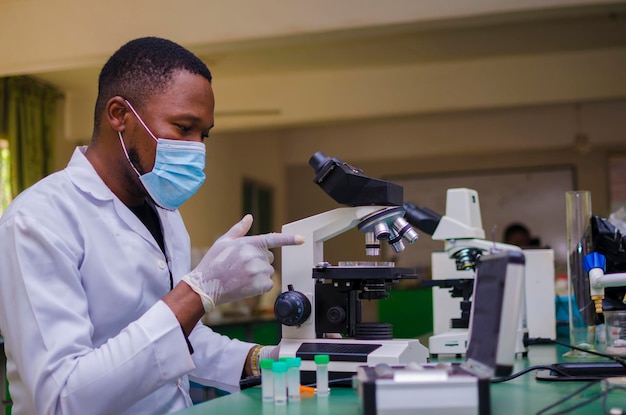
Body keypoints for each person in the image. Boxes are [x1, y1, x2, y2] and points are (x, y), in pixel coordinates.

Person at [0, 37, 303, 415]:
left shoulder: (163, 211)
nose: (197, 148)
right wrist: (198, 291)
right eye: (183, 127)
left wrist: (274, 358)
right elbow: (62, 398)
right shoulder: (38, 220)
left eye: (203, 134)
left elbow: (179, 340)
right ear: (119, 115)